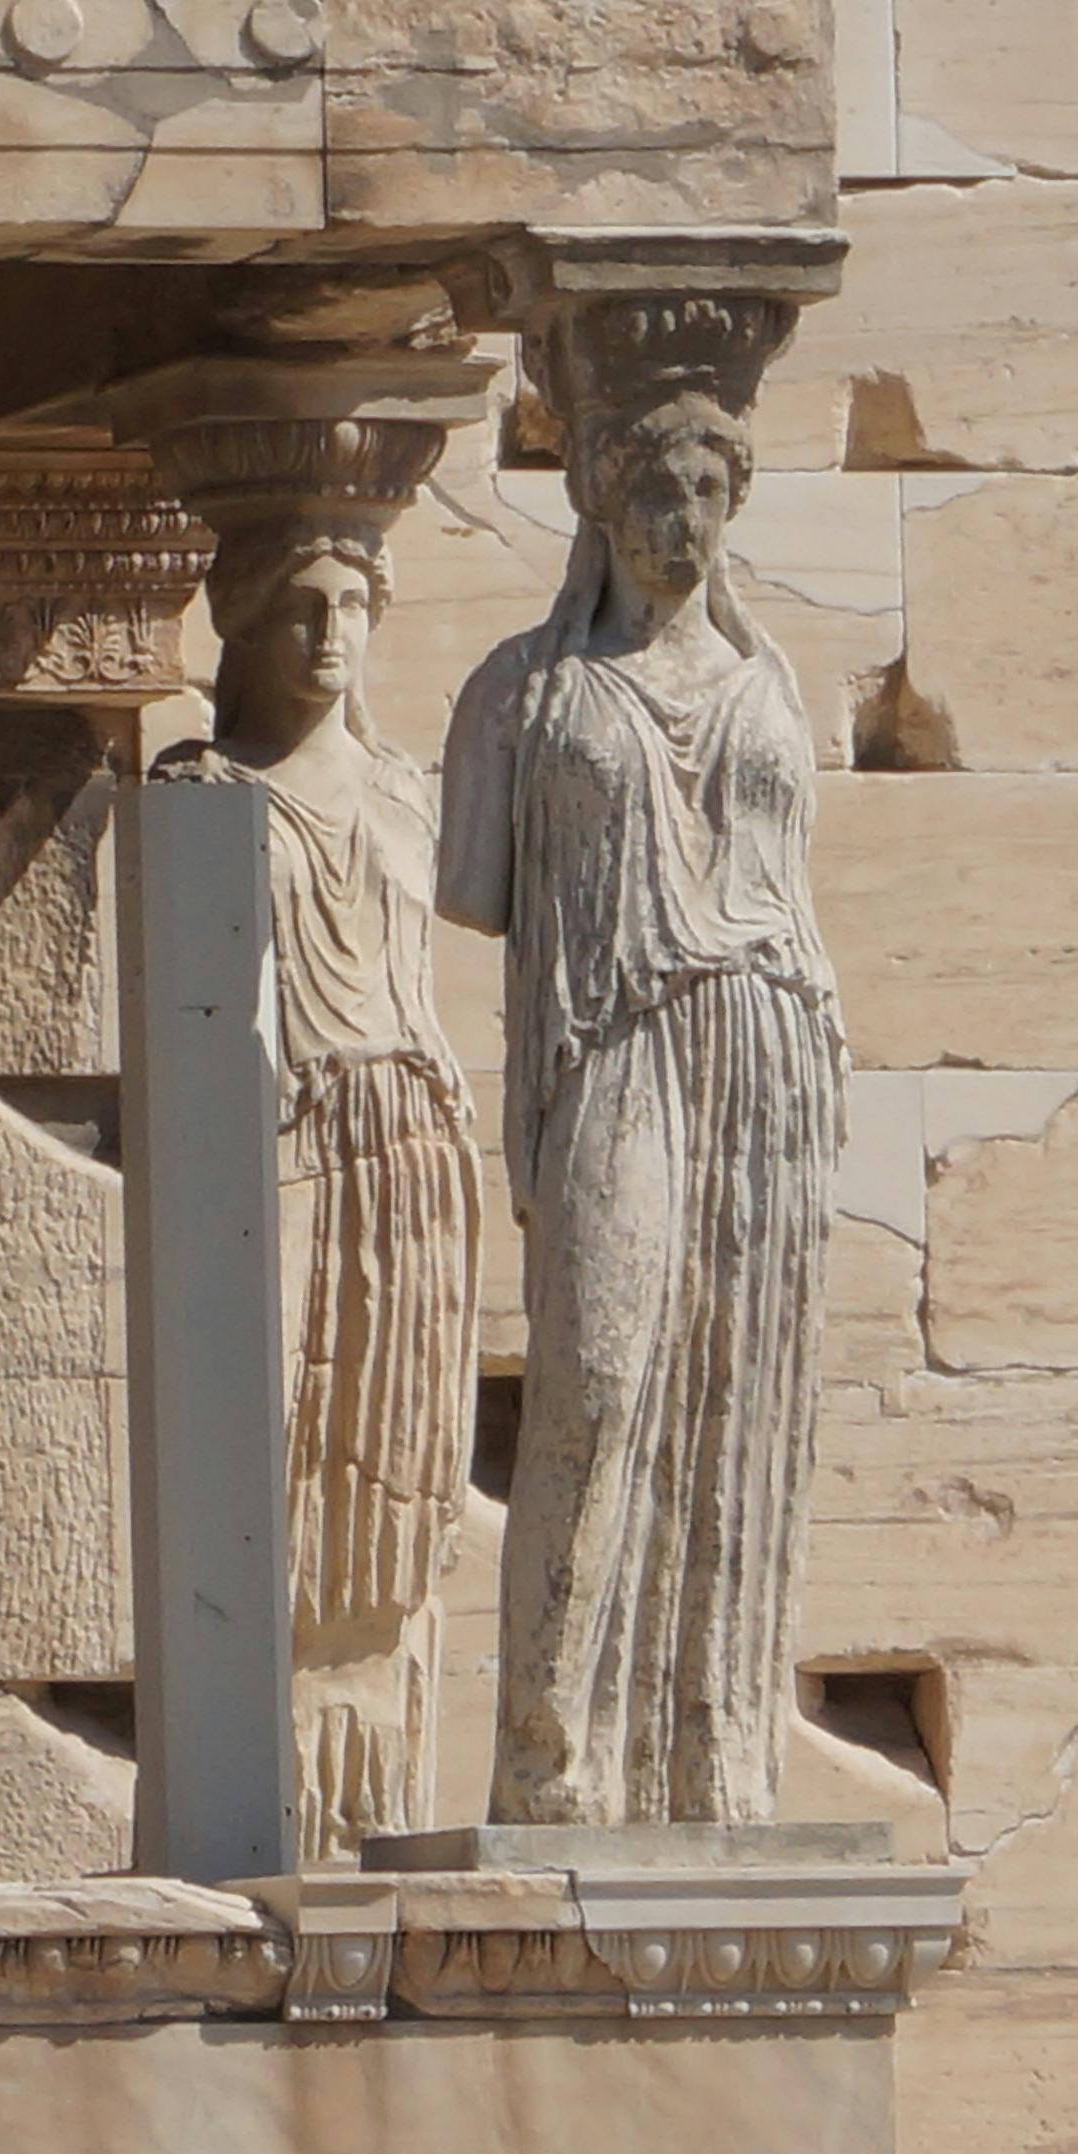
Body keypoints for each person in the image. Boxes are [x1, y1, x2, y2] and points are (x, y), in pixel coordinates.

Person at [442, 377, 842, 1829]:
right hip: (615, 1043)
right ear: (603, 501)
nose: (688, 525)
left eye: (712, 496)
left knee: (737, 1396)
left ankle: (714, 1765)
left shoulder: (771, 688)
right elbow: (476, 890)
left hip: (772, 1052)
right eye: (661, 494)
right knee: (600, 1379)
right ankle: (553, 1763)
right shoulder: (523, 693)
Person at [159, 518, 479, 1857]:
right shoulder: (201, 789)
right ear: (239, 621)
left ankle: (376, 1788)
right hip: (279, 1145)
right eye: (300, 604)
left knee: (403, 1466)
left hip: (411, 1140)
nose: (332, 631)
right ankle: (272, 1783)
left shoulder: (410, 791)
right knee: (280, 1445)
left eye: (355, 601)